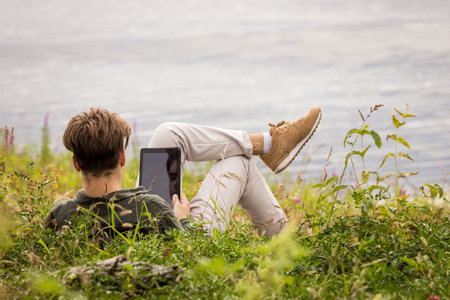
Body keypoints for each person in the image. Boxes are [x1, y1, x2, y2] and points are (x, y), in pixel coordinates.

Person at [45, 107, 322, 239]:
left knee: (168, 133)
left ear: (76, 164)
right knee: (240, 163)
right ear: (122, 157)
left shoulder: (60, 214)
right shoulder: (152, 206)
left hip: (137, 212)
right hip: (189, 238)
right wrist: (181, 219)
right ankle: (285, 241)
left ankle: (268, 144)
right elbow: (183, 251)